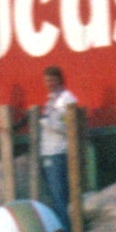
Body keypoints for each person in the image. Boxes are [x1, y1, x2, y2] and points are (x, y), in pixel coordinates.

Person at [36, 66, 80, 207]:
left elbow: (68, 128)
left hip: (58, 152)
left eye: (52, 80)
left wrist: (45, 122)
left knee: (60, 196)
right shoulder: (51, 100)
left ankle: (64, 222)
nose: (49, 84)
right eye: (46, 81)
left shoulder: (66, 99)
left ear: (60, 80)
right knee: (54, 197)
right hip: (48, 152)